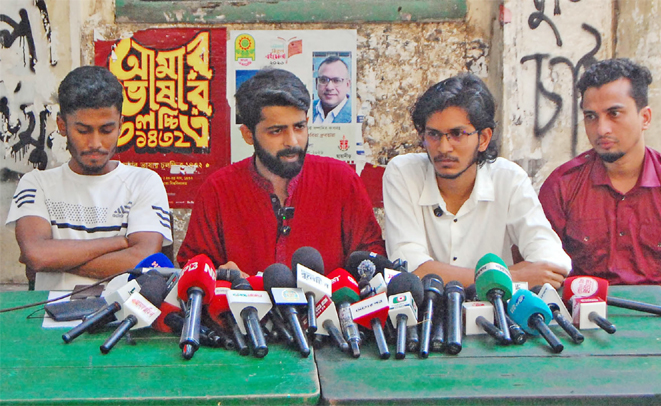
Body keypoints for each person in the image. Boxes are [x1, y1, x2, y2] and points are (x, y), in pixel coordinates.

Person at [177, 68, 384, 275]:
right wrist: (223, 277)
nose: (292, 142)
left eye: (299, 127)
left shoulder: (341, 181)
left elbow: (371, 259)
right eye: (276, 131)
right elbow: (194, 267)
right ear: (248, 134)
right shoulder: (218, 190)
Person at [383, 73, 571, 288]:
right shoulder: (403, 173)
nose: (443, 147)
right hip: (427, 307)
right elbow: (410, 267)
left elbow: (552, 262)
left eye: (457, 134)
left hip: (496, 306)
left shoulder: (508, 178)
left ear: (484, 138)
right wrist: (511, 277)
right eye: (433, 135)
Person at [5, 66, 173, 291]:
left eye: (106, 130)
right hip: (47, 311)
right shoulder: (37, 184)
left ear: (120, 125)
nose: (95, 143)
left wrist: (57, 260)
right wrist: (120, 242)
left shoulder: (144, 182)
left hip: (122, 310)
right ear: (62, 126)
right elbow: (37, 255)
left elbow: (142, 260)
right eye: (83, 131)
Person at [540, 58, 661, 309]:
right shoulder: (561, 187)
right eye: (591, 116)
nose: (602, 129)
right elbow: (543, 275)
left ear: (645, 117)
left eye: (614, 114)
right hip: (582, 320)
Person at [312, 56, 352, 124]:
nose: (329, 87)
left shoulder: (356, 114)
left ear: (347, 85)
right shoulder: (306, 110)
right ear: (316, 83)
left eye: (337, 80)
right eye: (323, 80)